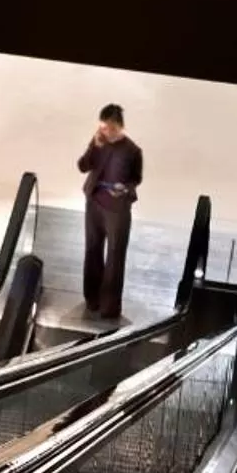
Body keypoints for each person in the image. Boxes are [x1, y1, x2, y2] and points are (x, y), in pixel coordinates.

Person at [79, 103, 143, 324]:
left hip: (117, 208)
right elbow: (83, 166)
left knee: (115, 255)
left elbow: (136, 178)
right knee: (92, 249)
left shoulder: (133, 151)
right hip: (95, 201)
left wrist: (124, 188)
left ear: (120, 126)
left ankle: (110, 306)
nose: (107, 132)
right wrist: (94, 147)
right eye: (104, 127)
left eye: (111, 128)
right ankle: (91, 298)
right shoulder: (99, 142)